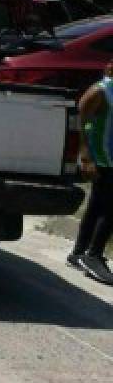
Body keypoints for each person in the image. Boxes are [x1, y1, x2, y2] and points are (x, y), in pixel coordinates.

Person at [73, 62, 113, 285]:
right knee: (109, 208)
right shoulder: (101, 90)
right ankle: (94, 255)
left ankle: (79, 252)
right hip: (101, 155)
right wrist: (85, 156)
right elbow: (80, 120)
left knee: (98, 205)